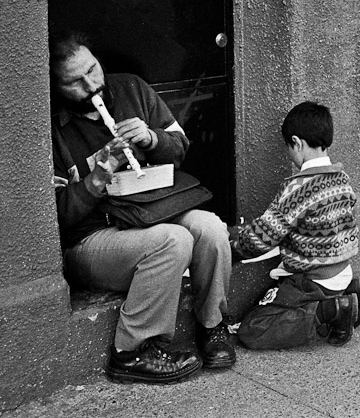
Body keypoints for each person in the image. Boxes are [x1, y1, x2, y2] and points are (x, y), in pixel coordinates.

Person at [49, 30, 235, 384]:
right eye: (76, 82)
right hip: (94, 236)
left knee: (211, 229)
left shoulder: (131, 88)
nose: (92, 86)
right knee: (174, 241)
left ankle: (212, 325)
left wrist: (152, 138)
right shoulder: (50, 128)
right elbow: (58, 216)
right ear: (57, 88)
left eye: (93, 70)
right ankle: (130, 352)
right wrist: (95, 181)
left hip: (151, 209)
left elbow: (179, 147)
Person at [231, 101, 360, 349]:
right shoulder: (342, 179)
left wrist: (234, 248)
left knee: (252, 330)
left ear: (297, 142)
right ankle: (347, 300)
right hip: (342, 271)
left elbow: (262, 237)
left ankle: (329, 311)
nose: (288, 154)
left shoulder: (299, 190)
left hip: (312, 279)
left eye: (288, 148)